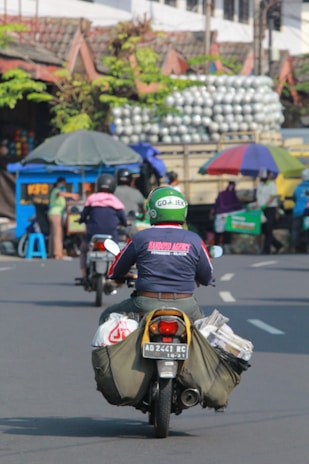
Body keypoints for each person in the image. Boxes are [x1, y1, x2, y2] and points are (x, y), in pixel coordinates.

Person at [99, 186, 214, 324]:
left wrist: (118, 276)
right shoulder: (195, 240)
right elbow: (207, 276)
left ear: (152, 211)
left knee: (107, 314)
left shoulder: (139, 238)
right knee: (202, 334)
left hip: (145, 304)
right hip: (186, 306)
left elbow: (117, 270)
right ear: (183, 210)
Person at [78, 173, 127, 286]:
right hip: (111, 234)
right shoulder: (115, 201)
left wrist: (81, 220)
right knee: (117, 253)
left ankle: (84, 275)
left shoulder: (91, 199)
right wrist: (125, 223)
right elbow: (123, 219)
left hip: (93, 234)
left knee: (83, 250)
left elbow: (83, 215)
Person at [48, 177, 79, 259]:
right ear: (59, 183)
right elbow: (60, 194)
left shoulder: (58, 190)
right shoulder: (56, 190)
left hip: (53, 214)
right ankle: (58, 253)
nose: (64, 185)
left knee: (53, 234)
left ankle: (51, 252)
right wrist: (72, 195)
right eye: (63, 183)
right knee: (58, 234)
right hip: (56, 214)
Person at [255, 168, 283, 254]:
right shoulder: (260, 185)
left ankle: (266, 249)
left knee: (269, 228)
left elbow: (272, 197)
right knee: (264, 229)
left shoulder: (272, 185)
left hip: (270, 209)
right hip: (261, 209)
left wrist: (265, 204)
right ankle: (278, 245)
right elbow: (257, 196)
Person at [209, 178, 242, 250]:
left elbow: (216, 204)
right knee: (227, 231)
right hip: (229, 216)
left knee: (218, 232)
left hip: (219, 215)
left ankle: (216, 247)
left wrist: (211, 214)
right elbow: (237, 206)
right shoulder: (234, 194)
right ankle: (226, 247)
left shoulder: (221, 193)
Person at [290, 168, 309, 252]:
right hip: (307, 212)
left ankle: (295, 247)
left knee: (296, 230)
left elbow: (294, 198)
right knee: (307, 230)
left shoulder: (298, 187)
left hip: (297, 211)